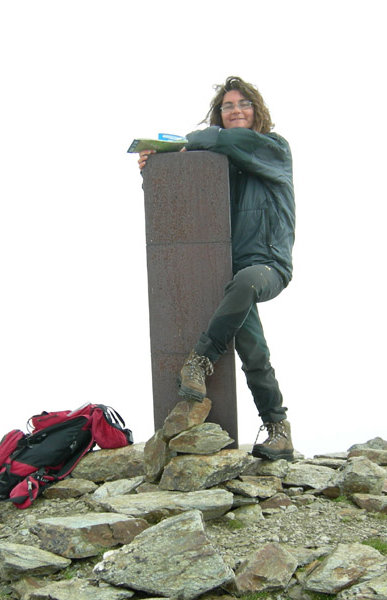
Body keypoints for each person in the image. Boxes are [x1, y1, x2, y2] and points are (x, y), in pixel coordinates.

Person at [138, 76, 296, 461]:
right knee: (253, 349)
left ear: (257, 112)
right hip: (231, 274)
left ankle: (199, 361)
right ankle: (279, 429)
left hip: (268, 264)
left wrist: (185, 143)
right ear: (219, 114)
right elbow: (186, 202)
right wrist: (155, 170)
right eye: (228, 106)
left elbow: (221, 140)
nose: (236, 110)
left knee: (246, 282)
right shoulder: (221, 164)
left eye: (244, 104)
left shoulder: (272, 148)